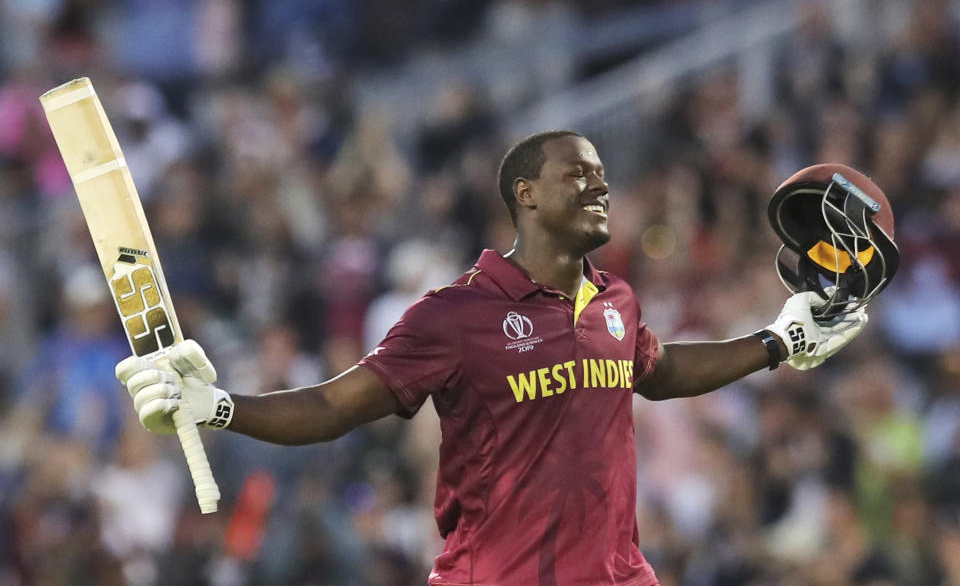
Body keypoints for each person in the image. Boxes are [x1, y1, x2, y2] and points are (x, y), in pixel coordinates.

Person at [117, 131, 869, 586]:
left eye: (603, 172)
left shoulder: (616, 301)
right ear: (527, 195)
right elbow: (333, 405)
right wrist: (219, 407)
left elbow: (662, 372)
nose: (601, 183)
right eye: (579, 172)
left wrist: (779, 341)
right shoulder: (454, 315)